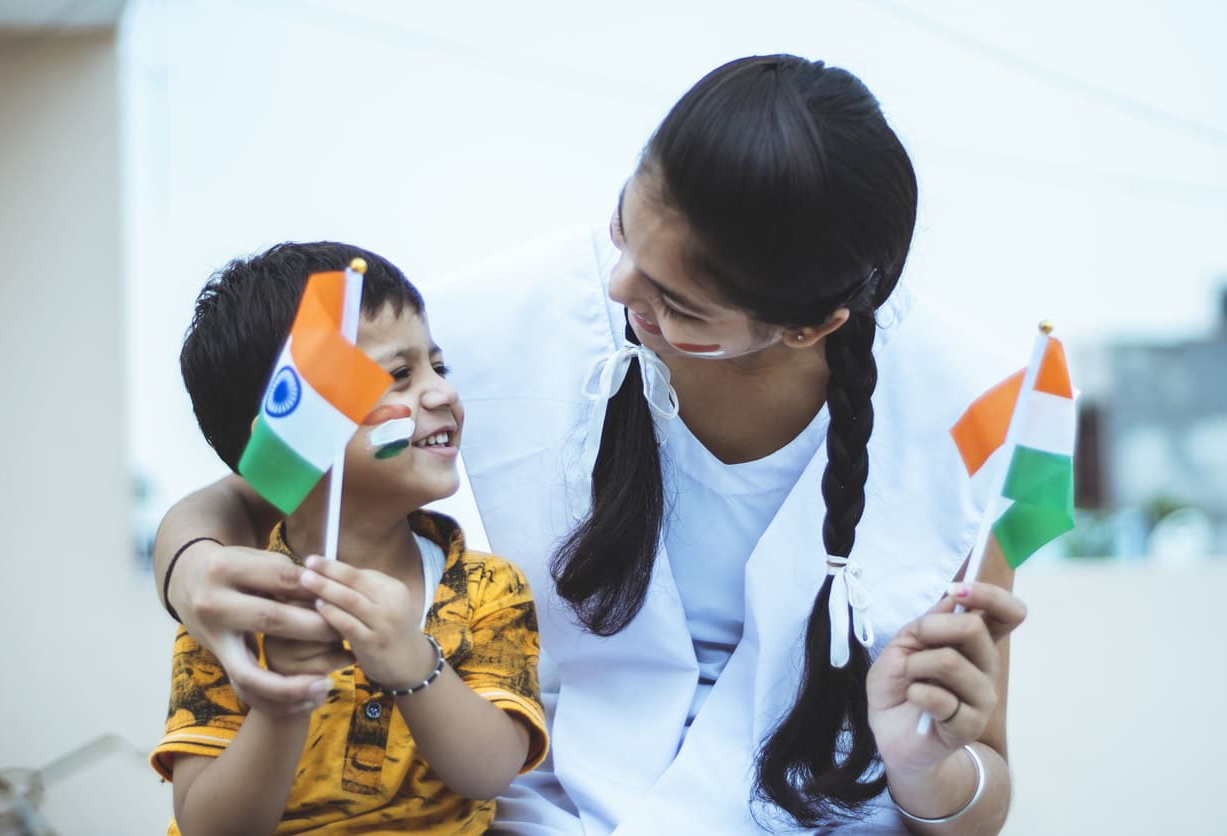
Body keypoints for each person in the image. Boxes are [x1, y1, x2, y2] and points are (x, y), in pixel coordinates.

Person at [153, 56, 1027, 834]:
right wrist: (192, 570)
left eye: (680, 306)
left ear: (810, 327)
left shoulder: (966, 422)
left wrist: (924, 769)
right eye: (622, 226)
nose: (619, 286)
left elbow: (979, 788)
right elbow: (273, 475)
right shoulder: (512, 322)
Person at [148, 242, 548, 835]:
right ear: (295, 435)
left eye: (439, 366)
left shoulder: (487, 588)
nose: (441, 393)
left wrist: (411, 661)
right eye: (398, 377)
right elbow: (210, 826)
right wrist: (280, 701)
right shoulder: (231, 607)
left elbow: (490, 772)